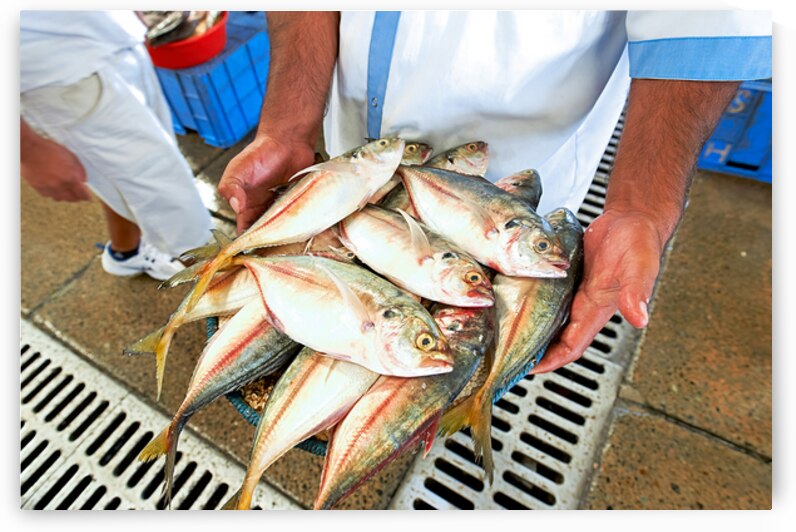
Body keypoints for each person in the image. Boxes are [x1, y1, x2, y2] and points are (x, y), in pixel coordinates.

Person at [215, 11, 771, 373]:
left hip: (516, 171)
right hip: (350, 153)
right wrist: (287, 124)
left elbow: (708, 22)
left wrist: (641, 207)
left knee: (470, 346)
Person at [20, 11, 213, 281]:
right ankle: (205, 266)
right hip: (54, 74)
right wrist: (28, 151)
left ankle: (127, 251)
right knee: (167, 191)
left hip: (105, 36)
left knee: (137, 170)